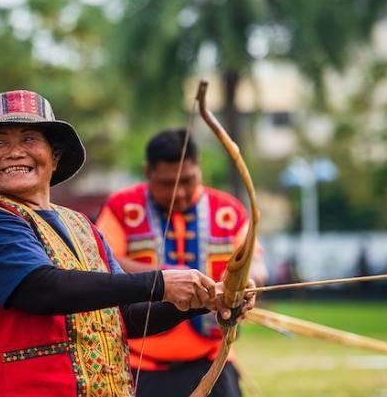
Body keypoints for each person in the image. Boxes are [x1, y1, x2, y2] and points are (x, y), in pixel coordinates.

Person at [0, 90, 256, 397]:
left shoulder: (81, 226)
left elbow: (125, 315)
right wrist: (160, 282)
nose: (14, 152)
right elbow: (41, 289)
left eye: (29, 139)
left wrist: (205, 299)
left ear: (55, 157)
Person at [96, 128, 268, 397]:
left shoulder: (228, 210)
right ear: (147, 171)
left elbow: (254, 262)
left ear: (199, 168)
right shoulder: (122, 207)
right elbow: (103, 260)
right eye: (167, 184)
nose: (180, 193)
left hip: (213, 361)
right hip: (141, 366)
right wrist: (168, 279)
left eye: (188, 180)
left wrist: (247, 283)